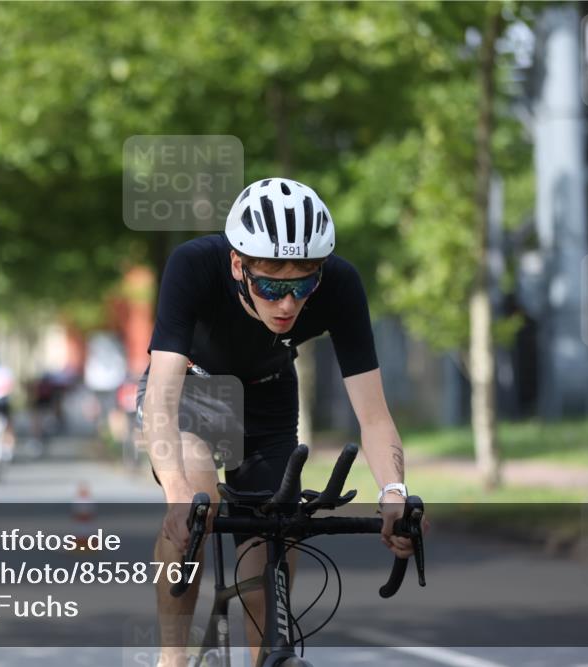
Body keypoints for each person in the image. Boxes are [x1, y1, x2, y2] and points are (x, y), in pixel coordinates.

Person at [139, 178, 420, 667]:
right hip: (193, 386)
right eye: (270, 285)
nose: (287, 304)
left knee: (276, 522)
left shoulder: (342, 283)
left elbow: (373, 416)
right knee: (197, 497)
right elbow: (161, 400)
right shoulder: (193, 265)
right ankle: (173, 659)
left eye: (302, 285)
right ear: (237, 264)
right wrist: (177, 493)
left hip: (268, 393)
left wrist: (393, 492)